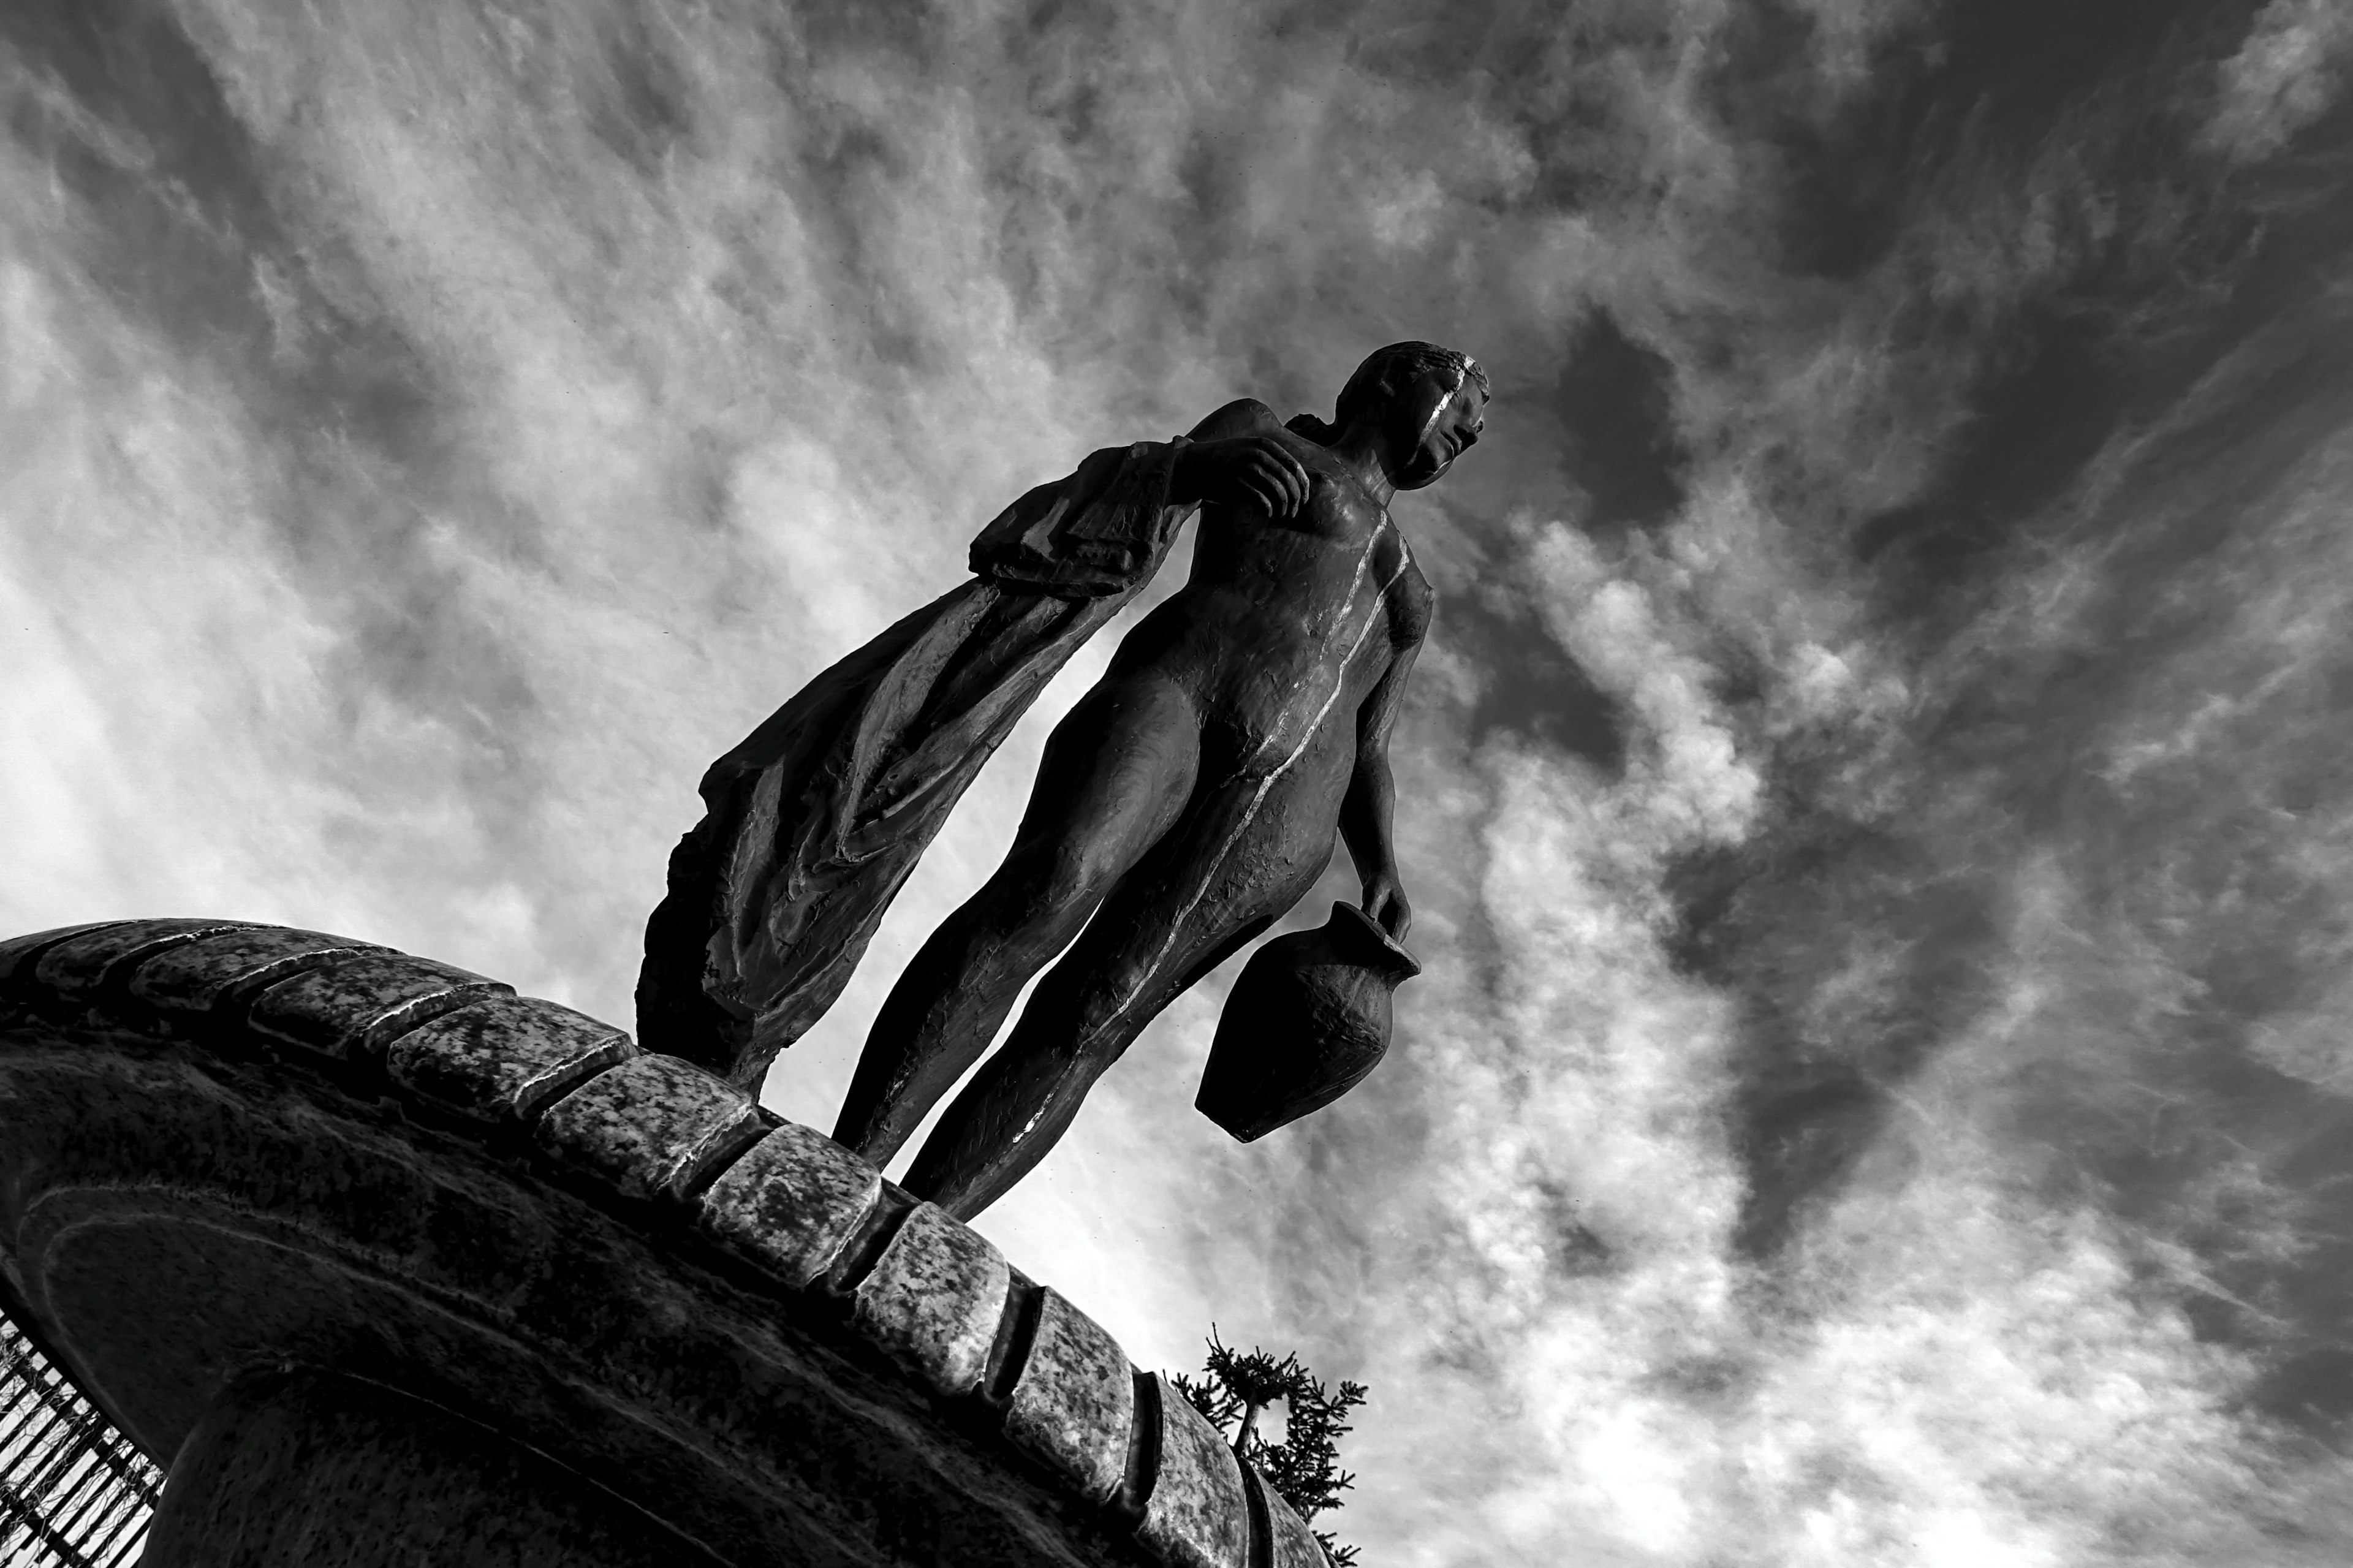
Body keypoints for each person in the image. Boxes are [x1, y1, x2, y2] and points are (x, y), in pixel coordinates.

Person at [835, 341, 1488, 1218]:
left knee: (1101, 1013)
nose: (1468, 431)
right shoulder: (1265, 435)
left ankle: (919, 1229)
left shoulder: (1414, 591)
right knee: (1045, 889)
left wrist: (1382, 869)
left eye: (1476, 434)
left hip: (1292, 797)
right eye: (1460, 400)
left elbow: (1374, 745)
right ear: (1392, 377)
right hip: (1178, 692)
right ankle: (845, 1169)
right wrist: (1197, 465)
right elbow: (1140, 483)